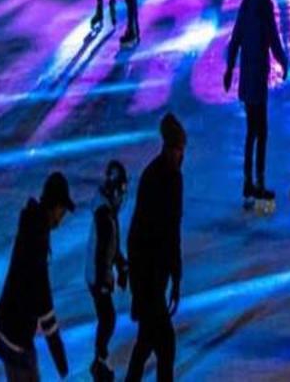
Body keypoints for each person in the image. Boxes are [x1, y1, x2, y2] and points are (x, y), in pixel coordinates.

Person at [0, 171, 75, 382]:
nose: (62, 218)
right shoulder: (36, 238)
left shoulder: (35, 228)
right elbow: (43, 299)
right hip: (15, 335)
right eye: (62, 211)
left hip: (14, 330)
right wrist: (60, 357)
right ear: (55, 206)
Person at [224, 0, 290, 210]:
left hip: (246, 81)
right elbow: (273, 38)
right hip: (257, 80)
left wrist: (230, 69)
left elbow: (235, 37)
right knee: (260, 133)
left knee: (252, 133)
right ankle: (258, 184)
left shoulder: (247, 1)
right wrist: (284, 62)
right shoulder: (264, 4)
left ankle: (248, 184)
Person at [125, 113, 186, 382]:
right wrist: (174, 275)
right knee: (165, 346)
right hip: (149, 277)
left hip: (151, 276)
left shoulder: (159, 175)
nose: (182, 156)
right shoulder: (166, 179)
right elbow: (168, 232)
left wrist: (174, 275)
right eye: (180, 150)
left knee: (146, 342)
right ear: (171, 148)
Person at [85, 161, 130, 382]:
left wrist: (121, 265)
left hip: (97, 274)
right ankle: (99, 362)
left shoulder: (107, 212)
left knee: (107, 318)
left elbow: (111, 246)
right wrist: (104, 280)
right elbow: (103, 250)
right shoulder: (104, 215)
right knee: (108, 318)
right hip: (96, 276)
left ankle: (99, 360)